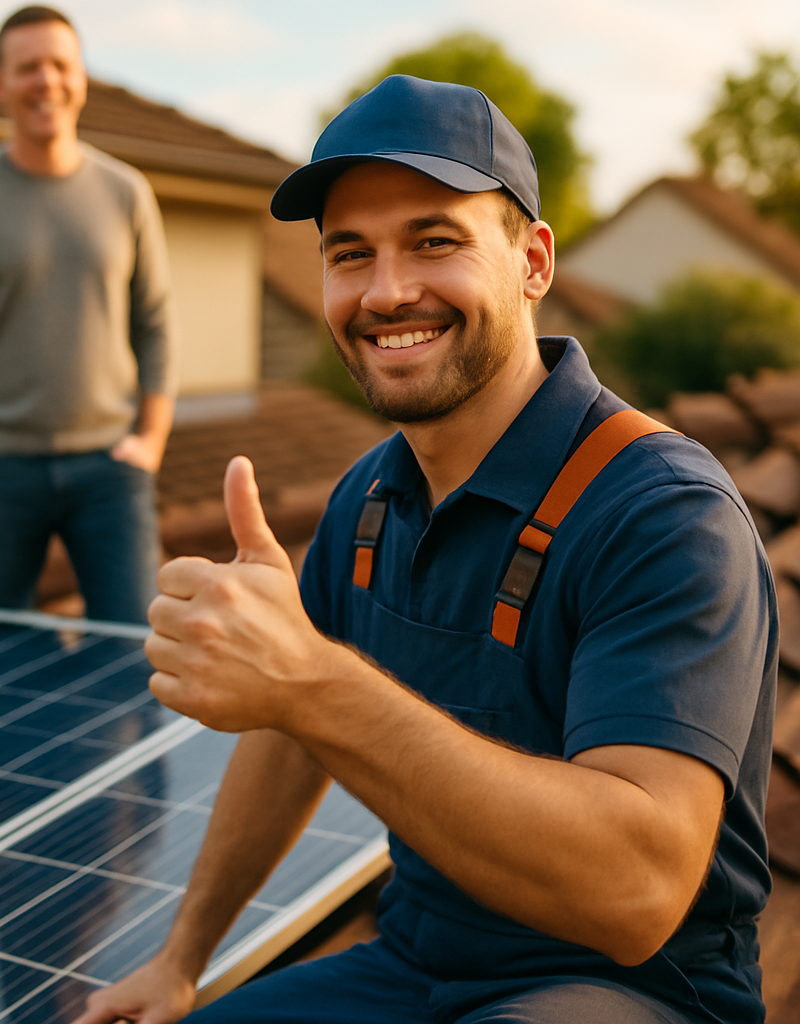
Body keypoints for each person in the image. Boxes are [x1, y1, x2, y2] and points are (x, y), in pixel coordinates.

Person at [74, 76, 777, 1024]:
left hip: (625, 991)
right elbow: (290, 737)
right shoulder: (369, 496)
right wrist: (181, 959)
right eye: (349, 254)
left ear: (532, 262)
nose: (387, 290)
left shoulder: (665, 517)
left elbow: (637, 894)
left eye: (435, 241)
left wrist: (314, 682)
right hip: (411, 961)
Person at [0, 5, 177, 625]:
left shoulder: (126, 191)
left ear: (82, 78)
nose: (46, 82)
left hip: (111, 470)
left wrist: (150, 440)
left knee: (133, 651)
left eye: (60, 65)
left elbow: (156, 323)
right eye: (28, 68)